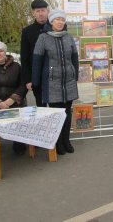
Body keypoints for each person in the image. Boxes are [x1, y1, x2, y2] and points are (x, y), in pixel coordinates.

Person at [32, 9, 79, 155]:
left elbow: (75, 59)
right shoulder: (43, 38)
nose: (60, 22)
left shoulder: (68, 37)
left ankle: (66, 140)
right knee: (56, 114)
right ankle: (58, 142)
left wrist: (75, 74)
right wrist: (35, 82)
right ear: (51, 22)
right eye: (57, 19)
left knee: (67, 113)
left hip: (68, 81)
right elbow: (37, 61)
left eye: (62, 20)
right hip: (52, 82)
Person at [20, 0, 50, 107]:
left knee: (56, 108)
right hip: (37, 76)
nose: (41, 13)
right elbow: (24, 57)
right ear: (33, 13)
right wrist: (28, 80)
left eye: (43, 10)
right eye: (37, 11)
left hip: (53, 76)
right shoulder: (27, 31)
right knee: (41, 107)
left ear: (48, 11)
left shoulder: (54, 29)